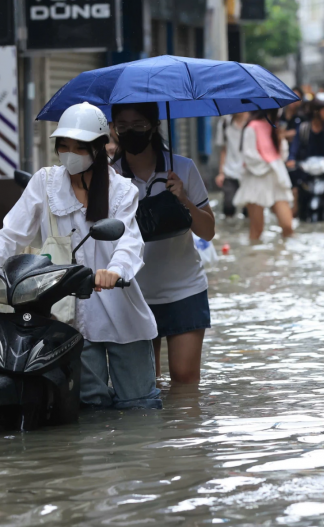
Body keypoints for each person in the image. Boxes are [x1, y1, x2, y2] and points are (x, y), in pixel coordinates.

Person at [0, 102, 161, 410]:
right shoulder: (45, 182)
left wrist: (115, 271)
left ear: (97, 148)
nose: (69, 153)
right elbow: (11, 234)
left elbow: (129, 241)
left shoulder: (122, 191)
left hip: (120, 308)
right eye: (63, 146)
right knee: (88, 405)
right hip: (70, 313)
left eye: (78, 147)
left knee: (139, 406)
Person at [110, 102, 215, 384]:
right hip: (134, 294)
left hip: (185, 290)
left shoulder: (182, 168)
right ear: (113, 129)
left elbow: (208, 231)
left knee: (185, 382)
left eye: (139, 125)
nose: (131, 132)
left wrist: (183, 199)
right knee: (146, 386)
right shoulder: (110, 177)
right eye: (123, 126)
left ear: (155, 126)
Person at [233, 109, 294, 240]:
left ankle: (282, 257)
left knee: (288, 226)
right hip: (257, 180)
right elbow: (249, 157)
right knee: (257, 230)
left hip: (276, 178)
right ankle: (256, 259)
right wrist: (270, 163)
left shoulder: (275, 127)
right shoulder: (252, 126)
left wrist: (281, 138)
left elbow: (282, 155)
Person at [286, 92, 324, 216]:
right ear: (316, 111)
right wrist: (291, 160)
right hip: (306, 175)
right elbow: (294, 150)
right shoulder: (303, 129)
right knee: (294, 198)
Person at [214, 112, 250, 217]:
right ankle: (231, 230)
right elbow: (223, 149)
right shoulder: (225, 123)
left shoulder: (252, 122)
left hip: (248, 172)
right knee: (228, 207)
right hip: (230, 171)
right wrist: (221, 173)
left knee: (249, 209)